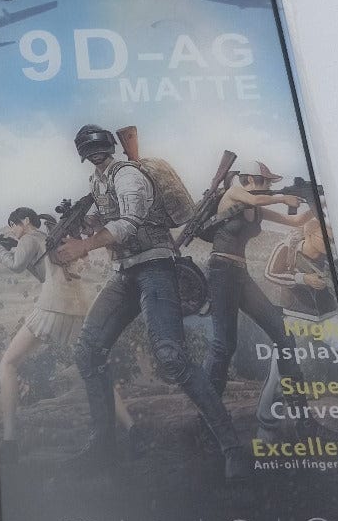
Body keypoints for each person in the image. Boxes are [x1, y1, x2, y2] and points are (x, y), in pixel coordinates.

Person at [56, 125, 250, 480]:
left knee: (171, 356)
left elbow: (129, 221)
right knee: (88, 351)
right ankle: (102, 448)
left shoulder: (128, 175)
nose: (97, 156)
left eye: (100, 151)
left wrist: (85, 245)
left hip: (156, 267)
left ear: (110, 149)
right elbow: (108, 218)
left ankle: (231, 447)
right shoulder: (97, 182)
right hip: (125, 271)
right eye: (91, 153)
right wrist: (84, 224)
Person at [0, 208, 142, 463]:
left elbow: (15, 265)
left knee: (8, 363)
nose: (14, 231)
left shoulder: (30, 238)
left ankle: (9, 441)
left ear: (26, 221)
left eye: (14, 225)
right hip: (77, 307)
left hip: (51, 308)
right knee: (96, 369)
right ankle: (132, 428)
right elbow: (47, 271)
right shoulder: (51, 236)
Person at [200, 161, 312, 431]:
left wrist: (314, 203)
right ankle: (208, 422)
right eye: (265, 181)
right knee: (224, 346)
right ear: (249, 179)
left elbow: (295, 221)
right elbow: (252, 198)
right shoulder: (234, 193)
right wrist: (282, 197)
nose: (269, 185)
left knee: (283, 335)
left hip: (240, 274)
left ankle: (304, 420)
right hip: (221, 271)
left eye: (270, 182)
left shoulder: (258, 208)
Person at [264, 216, 337, 322]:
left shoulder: (331, 257)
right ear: (309, 235)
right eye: (326, 238)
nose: (330, 244)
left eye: (332, 240)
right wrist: (303, 278)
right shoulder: (286, 248)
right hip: (295, 314)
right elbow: (269, 274)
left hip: (329, 315)